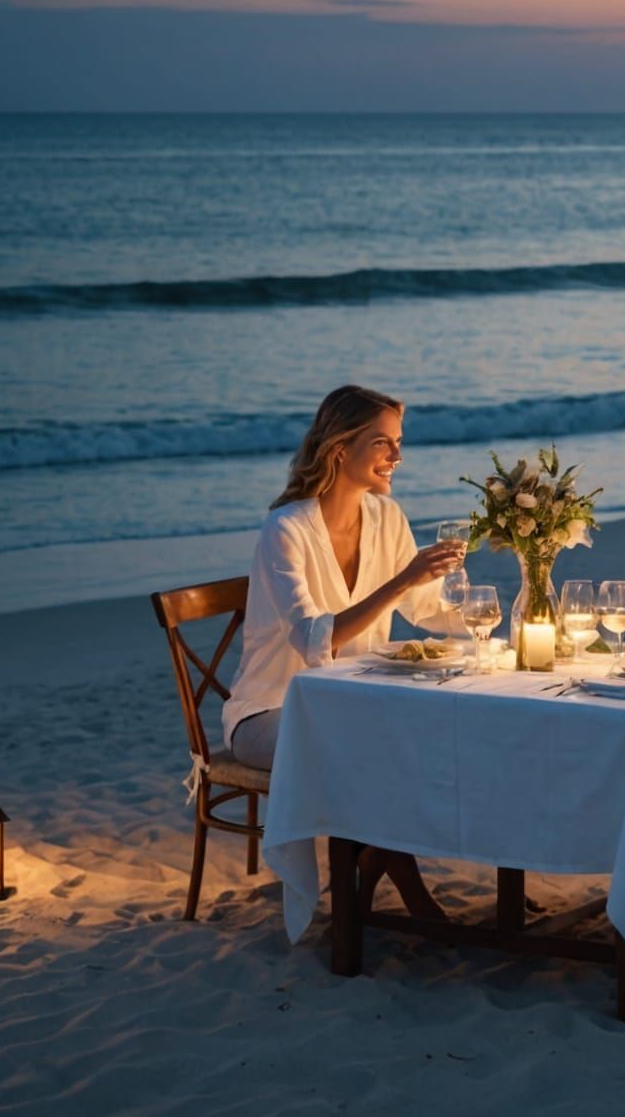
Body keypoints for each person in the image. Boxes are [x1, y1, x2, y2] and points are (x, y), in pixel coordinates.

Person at [222, 383, 468, 919]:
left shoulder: (386, 518)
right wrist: (402, 580)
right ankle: (402, 886)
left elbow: (426, 609)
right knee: (371, 746)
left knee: (418, 734)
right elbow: (315, 640)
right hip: (270, 712)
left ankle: (373, 867)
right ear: (340, 449)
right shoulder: (285, 530)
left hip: (358, 703)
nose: (397, 457)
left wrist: (487, 615)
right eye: (383, 444)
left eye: (398, 443)